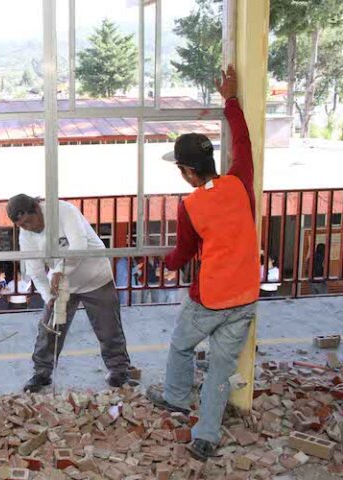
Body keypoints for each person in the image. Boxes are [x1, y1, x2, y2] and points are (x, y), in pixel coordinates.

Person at [146, 66, 261, 462]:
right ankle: (206, 436)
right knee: (219, 368)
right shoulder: (239, 181)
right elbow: (243, 142)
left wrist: (165, 264)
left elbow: (182, 254)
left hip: (211, 298)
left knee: (180, 346)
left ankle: (176, 398)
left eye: (179, 168)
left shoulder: (191, 205)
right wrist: (230, 99)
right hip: (246, 294)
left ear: (189, 171)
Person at [7, 193, 132, 392]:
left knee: (109, 328)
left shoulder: (63, 211)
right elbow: (35, 271)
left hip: (96, 278)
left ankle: (119, 370)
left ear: (37, 209)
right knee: (48, 329)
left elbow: (79, 247)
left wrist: (58, 271)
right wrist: (49, 297)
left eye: (30, 221)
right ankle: (42, 373)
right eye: (23, 226)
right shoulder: (26, 235)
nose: (29, 228)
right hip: (62, 286)